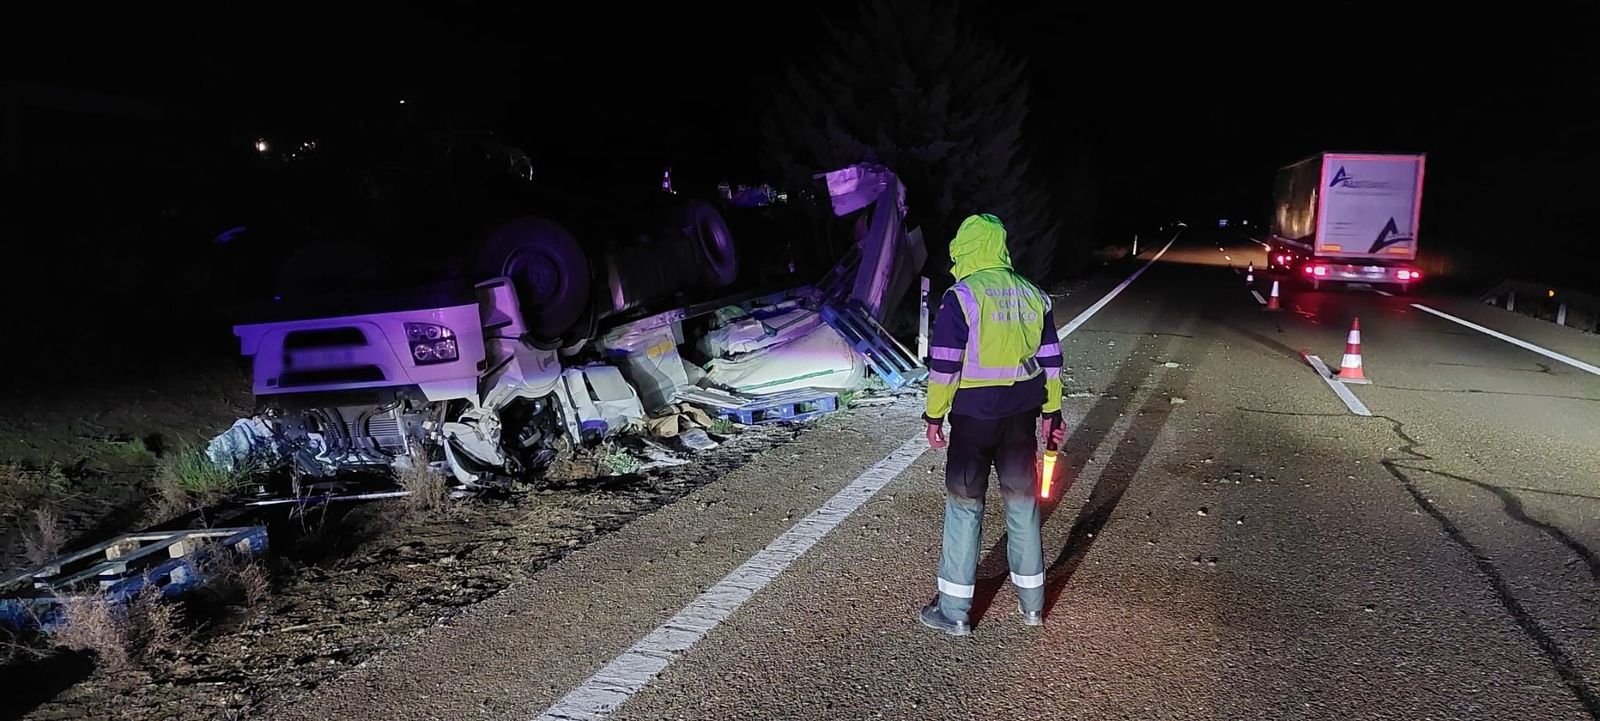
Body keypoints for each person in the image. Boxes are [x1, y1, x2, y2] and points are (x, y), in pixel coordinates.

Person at [919, 213, 1065, 636]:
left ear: (964, 248)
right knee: (1023, 506)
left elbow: (944, 367)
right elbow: (1052, 362)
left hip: (973, 417)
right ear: (1001, 246)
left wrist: (934, 416)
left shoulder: (962, 296)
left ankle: (955, 612)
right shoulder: (1034, 295)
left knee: (965, 508)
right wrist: (1052, 413)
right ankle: (1033, 606)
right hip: (1021, 416)